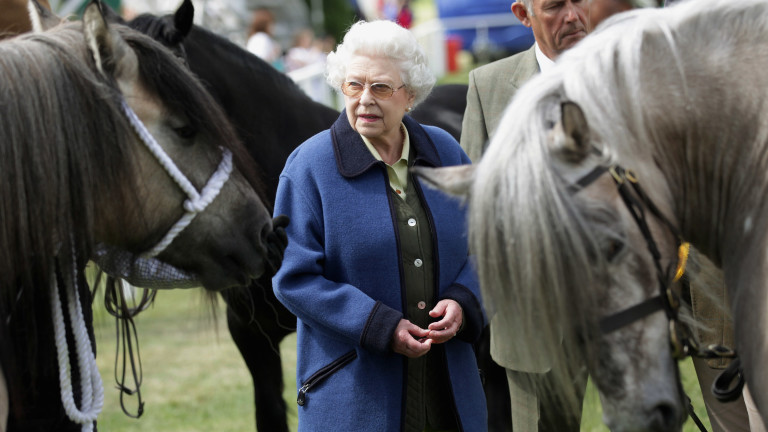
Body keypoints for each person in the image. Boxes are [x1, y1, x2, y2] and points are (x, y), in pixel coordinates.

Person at [272, 19, 487, 432]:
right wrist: (377, 325)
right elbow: (293, 277)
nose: (365, 99)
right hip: (354, 397)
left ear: (410, 95)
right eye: (354, 86)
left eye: (382, 88)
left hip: (450, 394)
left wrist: (464, 301)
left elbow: (488, 247)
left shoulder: (446, 152)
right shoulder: (309, 168)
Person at [460, 0, 590, 430]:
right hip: (531, 320)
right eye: (555, 5)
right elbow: (472, 205)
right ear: (522, 13)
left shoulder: (633, 71)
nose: (573, 15)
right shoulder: (487, 85)